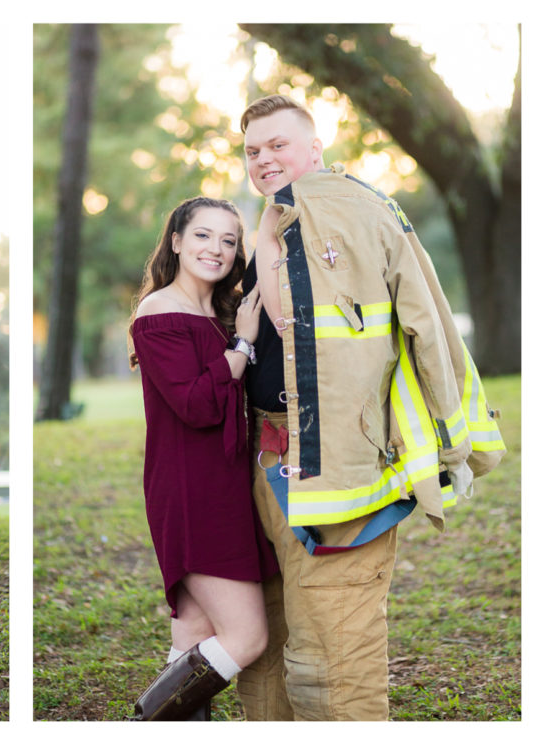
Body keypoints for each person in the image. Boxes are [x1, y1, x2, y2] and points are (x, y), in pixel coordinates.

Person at [233, 94, 506, 720]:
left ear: (314, 148)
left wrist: (451, 438)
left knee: (338, 645)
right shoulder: (270, 226)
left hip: (345, 464)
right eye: (252, 151)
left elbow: (430, 324)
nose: (264, 159)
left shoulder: (368, 213)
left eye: (278, 145)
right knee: (267, 641)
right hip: (261, 460)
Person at [127, 196, 280, 720]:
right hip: (192, 490)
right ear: (175, 241)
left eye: (228, 240)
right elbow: (195, 406)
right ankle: (144, 721)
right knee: (246, 637)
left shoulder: (220, 313)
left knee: (196, 633)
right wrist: (241, 346)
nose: (215, 248)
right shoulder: (158, 313)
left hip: (225, 482)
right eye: (202, 235)